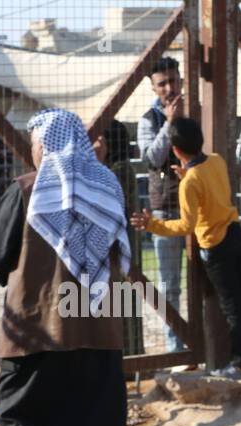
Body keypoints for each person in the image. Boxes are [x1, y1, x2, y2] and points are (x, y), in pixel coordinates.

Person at [0, 109, 131, 426]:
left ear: (44, 145)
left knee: (18, 417)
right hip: (100, 329)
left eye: (33, 143)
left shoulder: (27, 189)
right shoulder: (108, 186)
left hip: (39, 329)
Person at [132, 117, 241, 377]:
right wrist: (189, 174)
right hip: (234, 233)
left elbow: (186, 225)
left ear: (175, 150)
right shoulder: (216, 161)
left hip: (215, 246)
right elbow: (213, 188)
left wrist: (153, 225)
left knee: (231, 304)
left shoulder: (189, 183)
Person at [136, 56, 190, 358]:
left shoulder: (198, 112)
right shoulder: (148, 120)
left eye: (173, 80)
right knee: (170, 285)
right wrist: (170, 123)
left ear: (181, 78)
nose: (170, 87)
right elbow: (151, 159)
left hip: (200, 210)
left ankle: (207, 344)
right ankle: (176, 346)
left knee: (206, 282)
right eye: (162, 83)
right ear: (154, 88)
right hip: (166, 210)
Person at [95, 119, 142, 356]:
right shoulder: (119, 168)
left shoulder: (119, 170)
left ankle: (129, 357)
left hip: (121, 246)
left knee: (123, 301)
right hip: (121, 244)